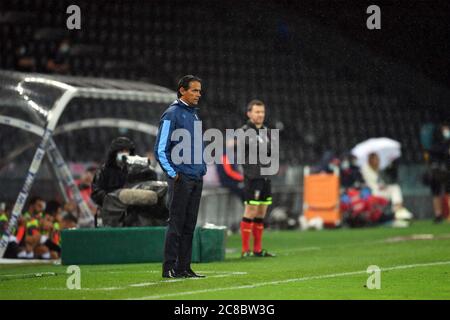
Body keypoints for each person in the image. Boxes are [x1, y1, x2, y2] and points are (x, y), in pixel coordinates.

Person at [154, 75, 207, 278]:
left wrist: (201, 168)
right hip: (181, 178)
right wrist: (173, 173)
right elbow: (160, 149)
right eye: (194, 90)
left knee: (189, 225)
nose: (198, 94)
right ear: (182, 90)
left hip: (196, 177)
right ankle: (168, 268)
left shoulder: (194, 115)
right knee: (176, 224)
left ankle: (184, 267)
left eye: (199, 91)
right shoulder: (171, 114)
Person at [239, 99, 275, 258]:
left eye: (262, 112)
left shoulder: (267, 131)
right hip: (253, 177)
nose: (260, 115)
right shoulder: (245, 131)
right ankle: (245, 250)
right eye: (257, 112)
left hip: (266, 176)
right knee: (251, 210)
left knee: (262, 212)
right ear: (249, 113)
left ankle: (258, 249)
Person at [361, 153, 413, 223]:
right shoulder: (366, 168)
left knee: (395, 188)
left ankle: (397, 210)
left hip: (380, 191)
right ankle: (398, 212)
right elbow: (373, 182)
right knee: (394, 189)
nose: (378, 161)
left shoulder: (377, 169)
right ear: (371, 160)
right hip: (373, 193)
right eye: (376, 159)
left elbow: (380, 182)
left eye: (378, 159)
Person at [91, 137, 136, 207]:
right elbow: (96, 193)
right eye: (121, 151)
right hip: (111, 211)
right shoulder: (104, 171)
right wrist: (114, 197)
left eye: (127, 150)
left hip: (131, 209)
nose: (124, 153)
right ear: (114, 153)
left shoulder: (134, 170)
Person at [427, 123, 450, 223]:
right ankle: (438, 214)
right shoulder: (436, 142)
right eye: (445, 129)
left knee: (448, 191)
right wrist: (445, 151)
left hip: (448, 169)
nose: (446, 131)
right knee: (436, 192)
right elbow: (432, 152)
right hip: (436, 170)